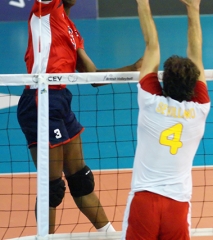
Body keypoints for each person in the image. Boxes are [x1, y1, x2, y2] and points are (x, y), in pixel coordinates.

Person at [17, 0, 142, 234]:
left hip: (61, 99)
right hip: (40, 98)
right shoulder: (47, 8)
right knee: (52, 188)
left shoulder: (73, 30)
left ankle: (110, 236)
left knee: (80, 179)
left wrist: (133, 68)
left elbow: (92, 77)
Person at [122, 0, 210, 239]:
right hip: (177, 205)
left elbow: (152, 46)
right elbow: (196, 54)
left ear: (164, 82)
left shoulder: (151, 100)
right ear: (194, 85)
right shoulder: (200, 108)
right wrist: (193, 7)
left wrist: (142, 2)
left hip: (144, 201)